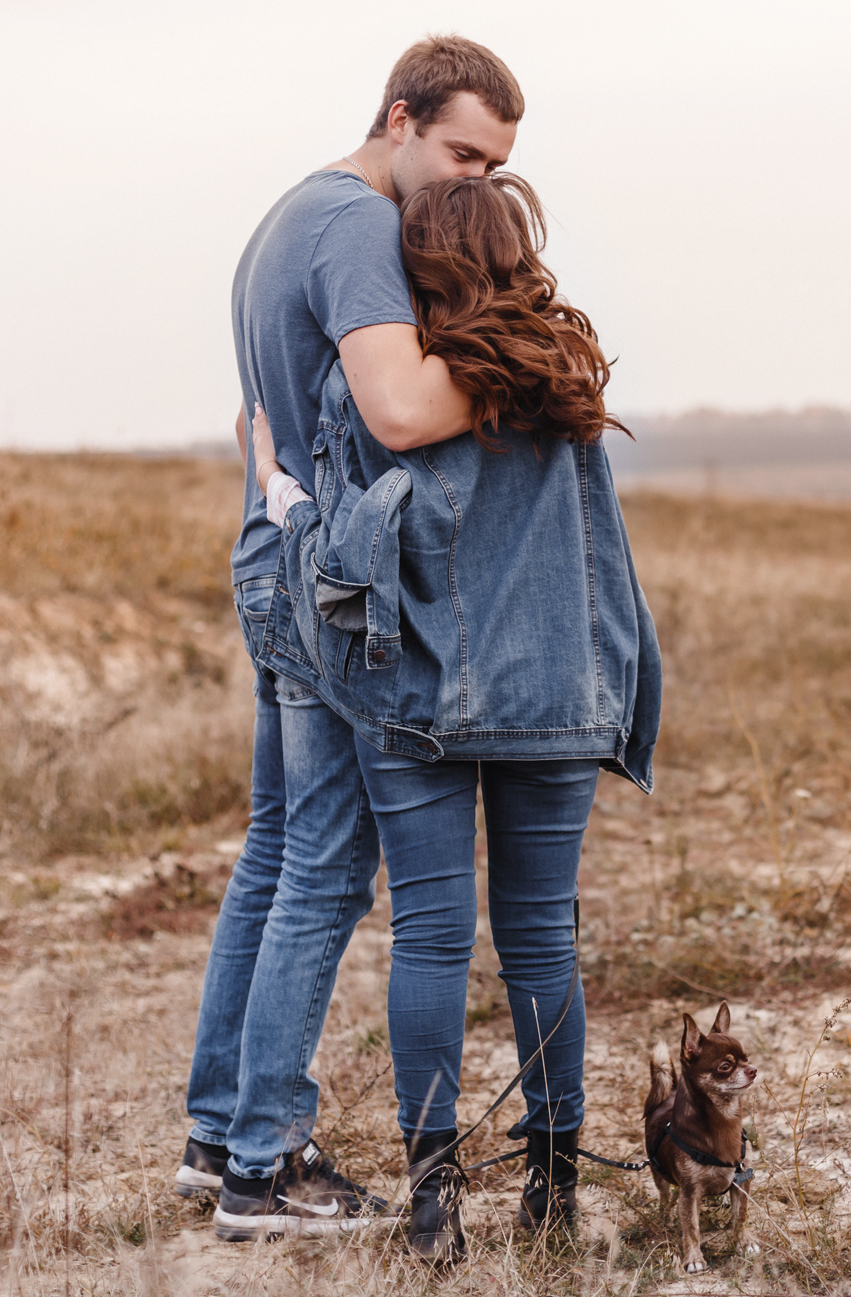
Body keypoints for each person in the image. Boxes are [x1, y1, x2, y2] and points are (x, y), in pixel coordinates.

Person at [249, 170, 659, 1261]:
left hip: (419, 701)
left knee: (430, 934)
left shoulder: (385, 397)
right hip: (560, 699)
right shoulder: (565, 375)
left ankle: (434, 1203)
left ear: (418, 270)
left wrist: (277, 488)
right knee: (542, 936)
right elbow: (609, 563)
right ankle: (554, 1189)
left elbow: (344, 557)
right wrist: (620, 690)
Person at [174, 35, 522, 1238]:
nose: (475, 183)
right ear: (399, 118)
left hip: (275, 556)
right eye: (463, 154)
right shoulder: (359, 226)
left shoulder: (290, 213)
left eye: (494, 166)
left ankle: (218, 1135)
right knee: (324, 865)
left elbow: (256, 415)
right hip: (326, 583)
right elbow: (399, 407)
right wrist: (530, 367)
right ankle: (264, 1167)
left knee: (278, 850)